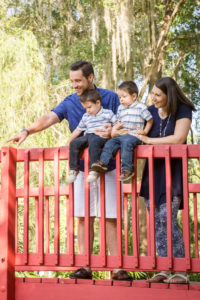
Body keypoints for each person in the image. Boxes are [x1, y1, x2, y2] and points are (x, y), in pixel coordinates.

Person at [7, 60, 131, 280]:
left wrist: (112, 130)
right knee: (84, 217)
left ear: (90, 78)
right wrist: (27, 130)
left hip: (109, 166)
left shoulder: (111, 98)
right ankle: (85, 267)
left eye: (78, 80)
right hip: (82, 169)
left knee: (110, 217)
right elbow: (49, 117)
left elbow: (124, 123)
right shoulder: (70, 102)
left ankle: (117, 267)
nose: (74, 84)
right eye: (72, 80)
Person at [130, 77, 196, 284]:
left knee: (167, 220)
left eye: (158, 95)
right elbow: (134, 131)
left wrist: (149, 140)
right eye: (153, 94)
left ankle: (181, 271)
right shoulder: (149, 112)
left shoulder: (182, 110)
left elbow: (178, 138)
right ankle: (164, 269)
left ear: (170, 95)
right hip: (153, 174)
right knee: (157, 222)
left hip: (172, 175)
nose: (154, 98)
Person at [92, 81, 153, 182]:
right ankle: (103, 163)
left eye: (124, 97)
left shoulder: (141, 107)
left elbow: (150, 120)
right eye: (120, 97)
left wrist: (145, 132)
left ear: (134, 96)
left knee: (126, 143)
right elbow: (118, 121)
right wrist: (113, 126)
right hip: (121, 134)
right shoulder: (120, 108)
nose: (121, 100)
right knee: (110, 143)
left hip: (134, 135)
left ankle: (127, 169)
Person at [67, 89, 116, 183]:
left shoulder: (108, 113)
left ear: (98, 103)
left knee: (94, 142)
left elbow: (116, 123)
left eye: (89, 107)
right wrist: (69, 141)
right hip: (88, 135)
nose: (88, 110)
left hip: (100, 136)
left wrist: (112, 130)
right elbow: (78, 130)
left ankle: (94, 170)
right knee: (74, 143)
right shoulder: (86, 116)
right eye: (85, 108)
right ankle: (74, 169)